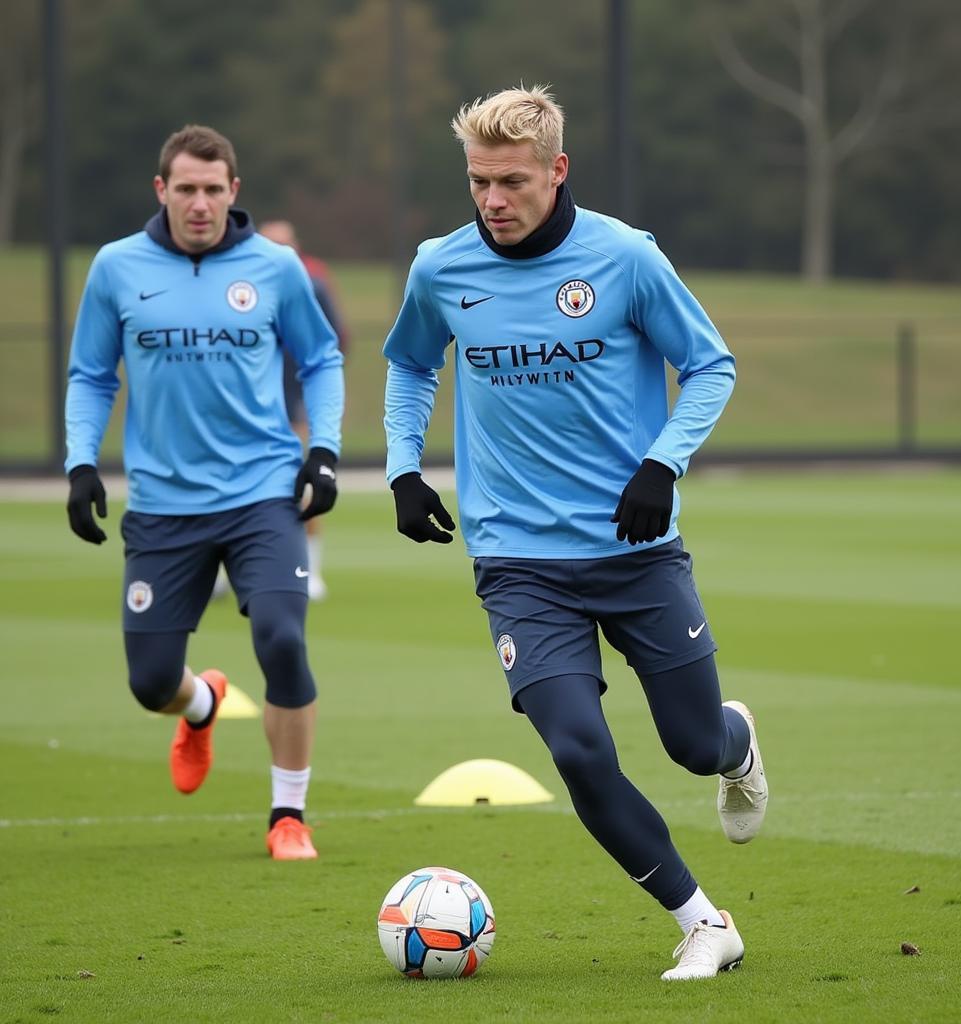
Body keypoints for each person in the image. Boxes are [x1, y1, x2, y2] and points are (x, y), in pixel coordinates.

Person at [382, 86, 768, 980]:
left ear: (558, 171)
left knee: (691, 745)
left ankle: (734, 743)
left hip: (635, 551)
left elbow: (710, 364)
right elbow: (408, 363)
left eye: (511, 181)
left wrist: (662, 463)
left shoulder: (626, 258)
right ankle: (704, 922)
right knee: (578, 749)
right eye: (478, 182)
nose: (492, 202)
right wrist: (404, 466)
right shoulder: (441, 269)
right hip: (518, 561)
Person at [64, 124, 344, 861]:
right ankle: (202, 703)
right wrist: (79, 463)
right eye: (185, 189)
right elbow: (91, 375)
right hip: (161, 504)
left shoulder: (276, 268)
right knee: (151, 683)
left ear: (233, 192)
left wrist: (323, 452)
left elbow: (321, 360)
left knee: (283, 638)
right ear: (162, 190)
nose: (199, 203)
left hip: (261, 493)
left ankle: (288, 815)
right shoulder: (116, 267)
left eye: (212, 190)